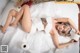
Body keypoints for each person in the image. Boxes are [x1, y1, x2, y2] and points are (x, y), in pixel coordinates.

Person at [0, 2, 80, 49]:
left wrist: (70, 42)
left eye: (62, 31)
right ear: (63, 24)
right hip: (30, 21)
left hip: (30, 27)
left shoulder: (54, 32)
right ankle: (4, 29)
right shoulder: (56, 20)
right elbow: (68, 19)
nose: (61, 28)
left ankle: (14, 24)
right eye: (63, 27)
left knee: (26, 7)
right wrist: (77, 29)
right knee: (12, 12)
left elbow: (58, 46)